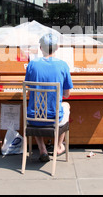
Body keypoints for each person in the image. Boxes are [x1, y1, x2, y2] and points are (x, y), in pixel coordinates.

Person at [25, 33, 73, 162]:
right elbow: (67, 94)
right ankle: (58, 146)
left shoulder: (32, 64)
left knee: (35, 108)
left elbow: (29, 93)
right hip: (53, 118)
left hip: (33, 118)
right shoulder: (63, 65)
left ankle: (42, 149)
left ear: (41, 48)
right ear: (57, 47)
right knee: (66, 106)